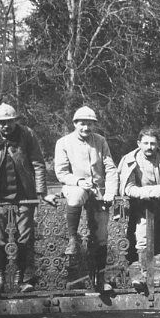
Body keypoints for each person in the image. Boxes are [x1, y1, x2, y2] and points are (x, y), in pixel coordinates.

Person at [0, 103, 49, 296]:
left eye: (10, 122)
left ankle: (20, 279)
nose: (6, 126)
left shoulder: (27, 135)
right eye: (1, 123)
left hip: (23, 196)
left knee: (23, 236)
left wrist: (41, 192)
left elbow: (38, 163)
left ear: (16, 121)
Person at [54, 106, 118, 291]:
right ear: (75, 124)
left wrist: (110, 193)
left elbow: (110, 168)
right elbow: (61, 172)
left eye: (90, 124)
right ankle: (73, 239)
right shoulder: (64, 142)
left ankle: (100, 279)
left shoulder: (100, 141)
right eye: (82, 124)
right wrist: (79, 181)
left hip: (98, 191)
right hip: (75, 187)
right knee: (76, 195)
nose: (86, 128)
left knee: (101, 236)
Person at [118, 128, 160, 293]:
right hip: (141, 208)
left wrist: (148, 192)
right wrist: (146, 194)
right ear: (139, 143)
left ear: (157, 144)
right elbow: (128, 187)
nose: (149, 147)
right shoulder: (130, 159)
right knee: (142, 240)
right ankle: (144, 278)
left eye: (153, 143)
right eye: (146, 143)